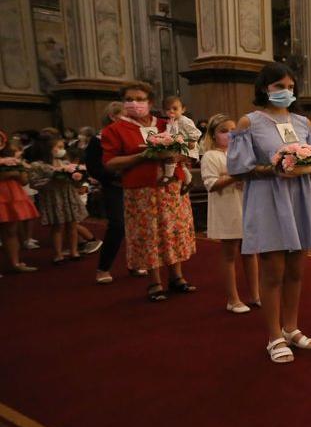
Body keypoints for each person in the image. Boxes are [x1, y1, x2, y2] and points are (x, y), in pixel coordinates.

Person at [227, 62, 311, 364]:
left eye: (290, 87)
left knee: (296, 270)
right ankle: (274, 336)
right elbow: (238, 167)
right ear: (264, 88)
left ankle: (292, 327)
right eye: (279, 87)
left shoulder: (303, 123)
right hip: (269, 197)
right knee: (273, 272)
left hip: (299, 196)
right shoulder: (249, 122)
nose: (286, 92)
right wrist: (274, 167)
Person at [101, 81, 198, 301]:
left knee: (174, 231)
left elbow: (190, 147)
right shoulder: (115, 130)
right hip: (142, 191)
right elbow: (110, 162)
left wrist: (178, 155)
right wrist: (142, 156)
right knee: (149, 235)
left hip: (171, 188)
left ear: (150, 102)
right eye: (129, 99)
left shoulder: (167, 124)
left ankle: (177, 277)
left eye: (140, 99)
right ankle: (155, 282)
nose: (134, 103)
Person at [201, 115, 260, 314]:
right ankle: (233, 299)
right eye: (223, 131)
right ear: (213, 135)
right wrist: (235, 176)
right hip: (226, 208)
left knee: (250, 252)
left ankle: (255, 294)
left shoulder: (241, 154)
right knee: (229, 255)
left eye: (233, 130)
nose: (229, 134)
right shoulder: (211, 156)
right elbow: (211, 184)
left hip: (246, 206)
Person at [86, 101, 146, 284]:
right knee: (118, 225)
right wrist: (115, 174)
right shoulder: (99, 139)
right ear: (113, 116)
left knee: (137, 226)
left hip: (135, 185)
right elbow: (95, 167)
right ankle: (103, 268)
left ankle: (135, 263)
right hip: (114, 186)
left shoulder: (132, 136)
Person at [26, 134, 88, 264]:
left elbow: (75, 180)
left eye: (62, 147)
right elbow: (34, 183)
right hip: (53, 198)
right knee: (57, 226)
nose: (62, 149)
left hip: (68, 196)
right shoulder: (38, 165)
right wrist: (52, 179)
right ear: (48, 148)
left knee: (72, 224)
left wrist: (78, 178)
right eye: (59, 147)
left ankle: (74, 251)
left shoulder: (65, 163)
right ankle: (58, 254)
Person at [0, 137, 37, 273]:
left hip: (12, 196)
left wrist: (15, 171)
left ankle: (15, 263)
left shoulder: (13, 159)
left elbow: (23, 181)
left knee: (11, 231)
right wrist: (10, 174)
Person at [163, 95, 201, 185]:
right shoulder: (170, 121)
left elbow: (196, 132)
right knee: (181, 164)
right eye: (168, 109)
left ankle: (169, 176)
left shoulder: (184, 120)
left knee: (173, 160)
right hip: (178, 145)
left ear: (183, 109)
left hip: (187, 146)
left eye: (175, 109)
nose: (171, 111)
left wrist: (191, 141)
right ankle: (188, 181)